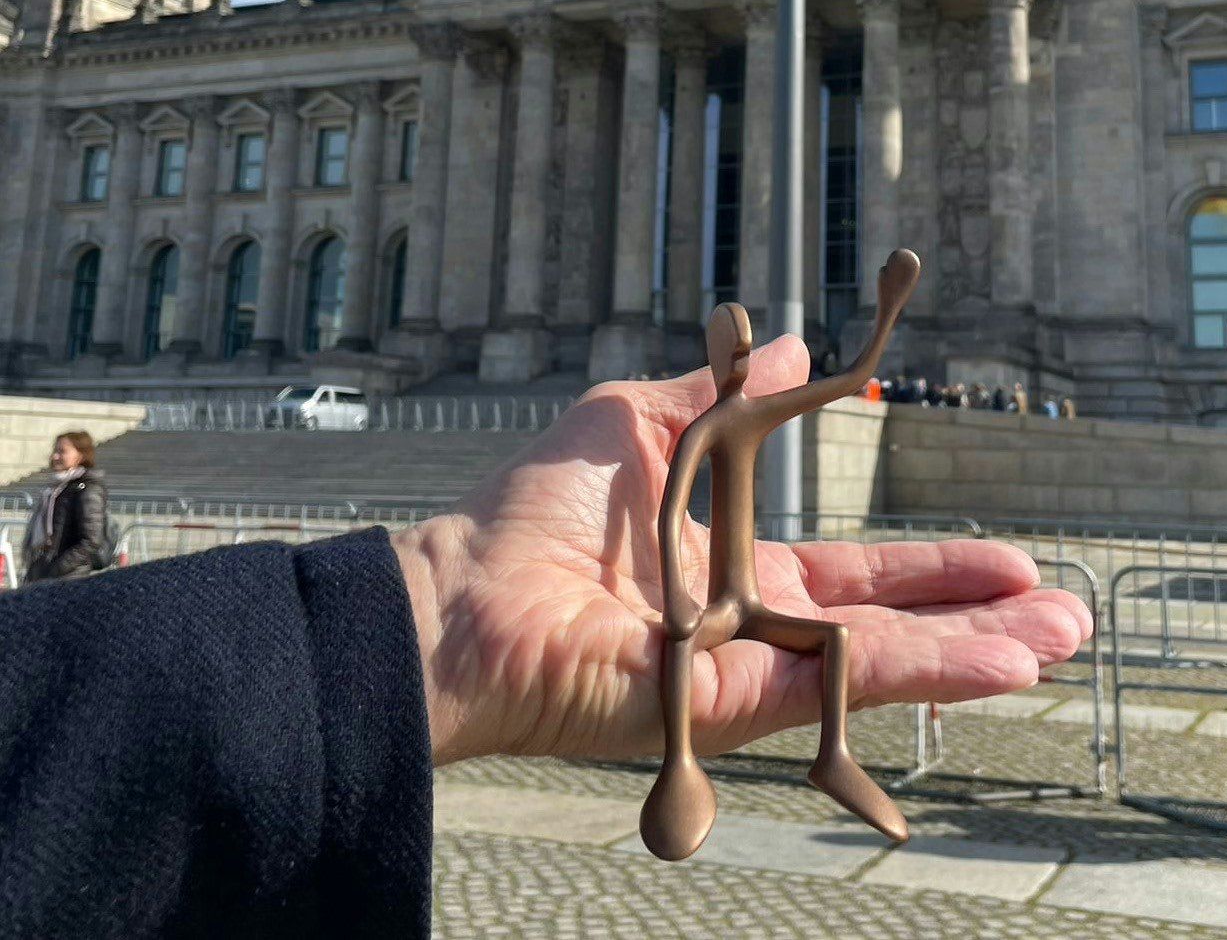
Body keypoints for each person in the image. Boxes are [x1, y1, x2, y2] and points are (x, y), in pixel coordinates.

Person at [0, 332, 1090, 937]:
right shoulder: (714, 416)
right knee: (692, 661)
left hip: (729, 581)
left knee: (821, 646)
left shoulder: (741, 408)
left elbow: (850, 379)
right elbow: (669, 506)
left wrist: (886, 317)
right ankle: (694, 769)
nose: (729, 351)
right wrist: (446, 611)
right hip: (697, 585)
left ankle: (828, 756)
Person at [22, 430, 108, 584]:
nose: (55, 456)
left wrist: (57, 569)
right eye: (55, 450)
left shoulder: (87, 489)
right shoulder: (56, 489)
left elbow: (91, 541)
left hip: (68, 578)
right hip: (44, 573)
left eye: (62, 451)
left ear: (80, 455)